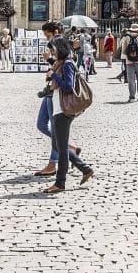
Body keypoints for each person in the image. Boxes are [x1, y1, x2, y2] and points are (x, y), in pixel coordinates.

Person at [40, 37, 93, 194]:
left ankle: (60, 183)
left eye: (54, 49)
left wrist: (53, 75)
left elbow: (68, 87)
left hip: (63, 111)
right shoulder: (61, 63)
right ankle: (85, 168)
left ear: (61, 48)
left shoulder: (68, 64)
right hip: (59, 109)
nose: (52, 51)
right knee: (57, 145)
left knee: (61, 149)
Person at [118, 24, 138, 102]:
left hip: (129, 61)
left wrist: (130, 54)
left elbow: (124, 51)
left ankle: (132, 97)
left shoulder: (126, 38)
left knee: (131, 79)